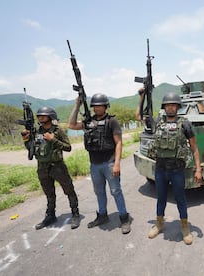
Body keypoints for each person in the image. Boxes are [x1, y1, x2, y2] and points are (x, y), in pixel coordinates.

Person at [68, 93, 131, 234]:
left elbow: (119, 142)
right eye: (95, 106)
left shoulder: (112, 121)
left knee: (116, 191)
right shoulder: (88, 122)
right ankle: (102, 216)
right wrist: (77, 105)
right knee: (99, 192)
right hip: (94, 165)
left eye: (100, 105)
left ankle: (124, 218)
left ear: (105, 106)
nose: (97, 108)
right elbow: (71, 125)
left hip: (109, 163)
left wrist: (117, 164)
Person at [147, 92, 202, 245]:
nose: (170, 107)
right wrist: (142, 96)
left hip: (177, 169)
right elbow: (140, 115)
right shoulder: (158, 122)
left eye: (173, 105)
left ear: (178, 107)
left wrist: (198, 169)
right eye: (167, 105)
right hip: (160, 169)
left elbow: (194, 148)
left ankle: (185, 227)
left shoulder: (185, 124)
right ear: (164, 107)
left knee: (180, 198)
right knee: (161, 198)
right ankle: (159, 223)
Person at [21, 106, 80, 230]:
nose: (40, 117)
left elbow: (68, 147)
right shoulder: (36, 132)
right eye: (39, 116)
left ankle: (75, 213)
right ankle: (50, 215)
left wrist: (53, 140)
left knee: (69, 189)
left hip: (57, 166)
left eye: (43, 115)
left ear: (50, 117)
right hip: (42, 167)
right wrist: (26, 138)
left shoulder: (58, 131)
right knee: (49, 193)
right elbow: (31, 149)